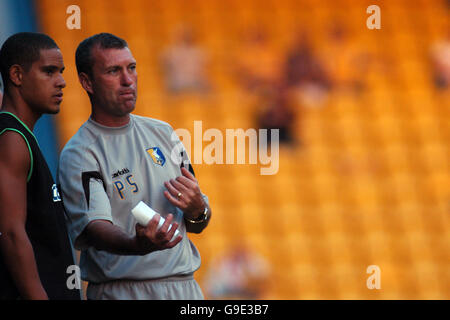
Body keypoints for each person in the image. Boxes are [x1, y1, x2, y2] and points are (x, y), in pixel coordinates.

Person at [58, 33, 212, 300]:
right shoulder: (81, 152)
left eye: (131, 68)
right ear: (87, 82)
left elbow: (198, 222)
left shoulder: (164, 133)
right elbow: (95, 226)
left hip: (184, 288)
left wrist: (198, 209)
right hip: (123, 291)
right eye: (113, 71)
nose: (128, 80)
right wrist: (137, 245)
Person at [0, 32, 81, 300]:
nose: (61, 82)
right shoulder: (12, 139)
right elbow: (11, 232)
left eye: (61, 72)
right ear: (17, 75)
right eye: (49, 72)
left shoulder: (21, 135)